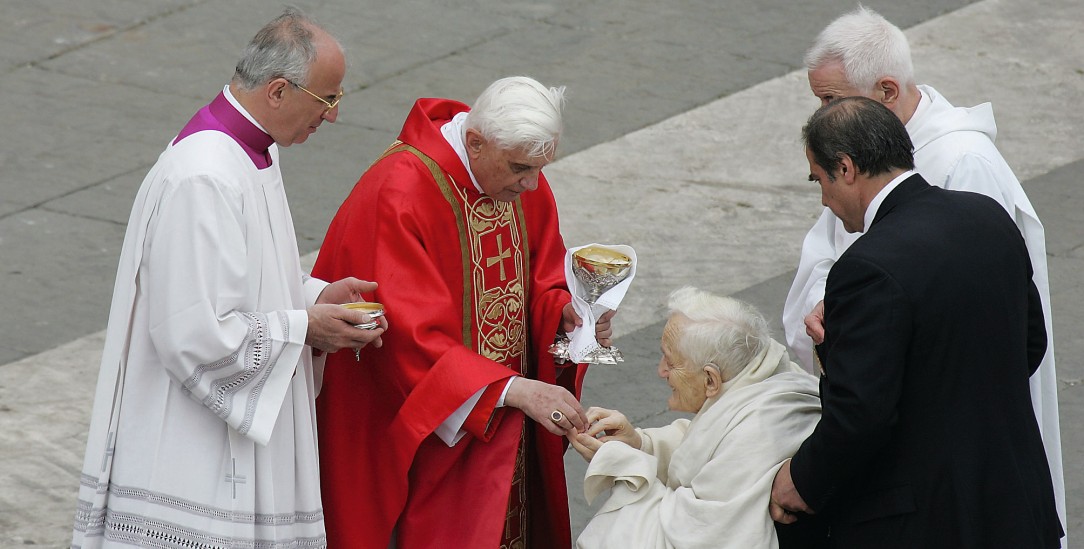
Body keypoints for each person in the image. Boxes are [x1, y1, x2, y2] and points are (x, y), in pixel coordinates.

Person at [70, 9, 386, 547]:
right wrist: (304, 328)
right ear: (280, 92)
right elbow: (194, 333)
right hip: (191, 454)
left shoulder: (250, 150)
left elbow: (241, 277)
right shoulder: (205, 175)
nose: (333, 116)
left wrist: (313, 296)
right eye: (328, 99)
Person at [780, 7, 1065, 536]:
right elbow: (1028, 336)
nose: (823, 116)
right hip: (1002, 489)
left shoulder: (963, 166)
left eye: (831, 102)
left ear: (886, 91)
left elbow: (869, 402)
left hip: (940, 490)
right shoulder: (966, 208)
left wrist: (803, 479)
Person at [312, 76, 613, 548]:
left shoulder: (515, 173)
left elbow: (540, 276)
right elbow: (404, 339)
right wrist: (513, 390)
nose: (533, 184)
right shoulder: (400, 192)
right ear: (475, 142)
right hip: (424, 431)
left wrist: (566, 316)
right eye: (520, 168)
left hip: (499, 421)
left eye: (540, 167)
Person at [567, 287, 823, 549]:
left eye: (670, 361)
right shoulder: (761, 374)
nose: (660, 371)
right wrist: (639, 444)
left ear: (711, 380)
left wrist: (625, 465)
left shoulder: (759, 433)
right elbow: (707, 441)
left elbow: (690, 534)